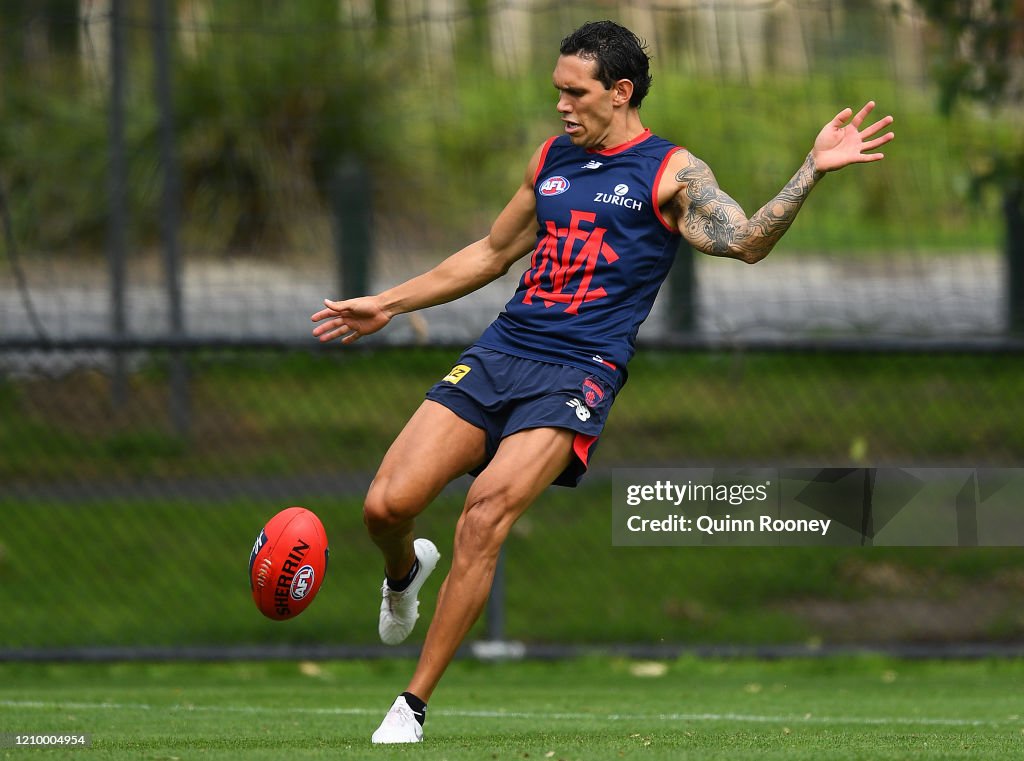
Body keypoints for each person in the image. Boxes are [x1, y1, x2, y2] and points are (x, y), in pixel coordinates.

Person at [311, 20, 894, 744]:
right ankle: (403, 575)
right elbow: (493, 252)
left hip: (580, 370)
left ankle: (412, 703)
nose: (560, 104)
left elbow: (744, 240)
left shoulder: (671, 171)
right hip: (504, 348)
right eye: (557, 90)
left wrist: (809, 170)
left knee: (485, 513)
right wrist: (388, 303)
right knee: (382, 506)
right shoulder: (552, 158)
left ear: (619, 93)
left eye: (574, 92)